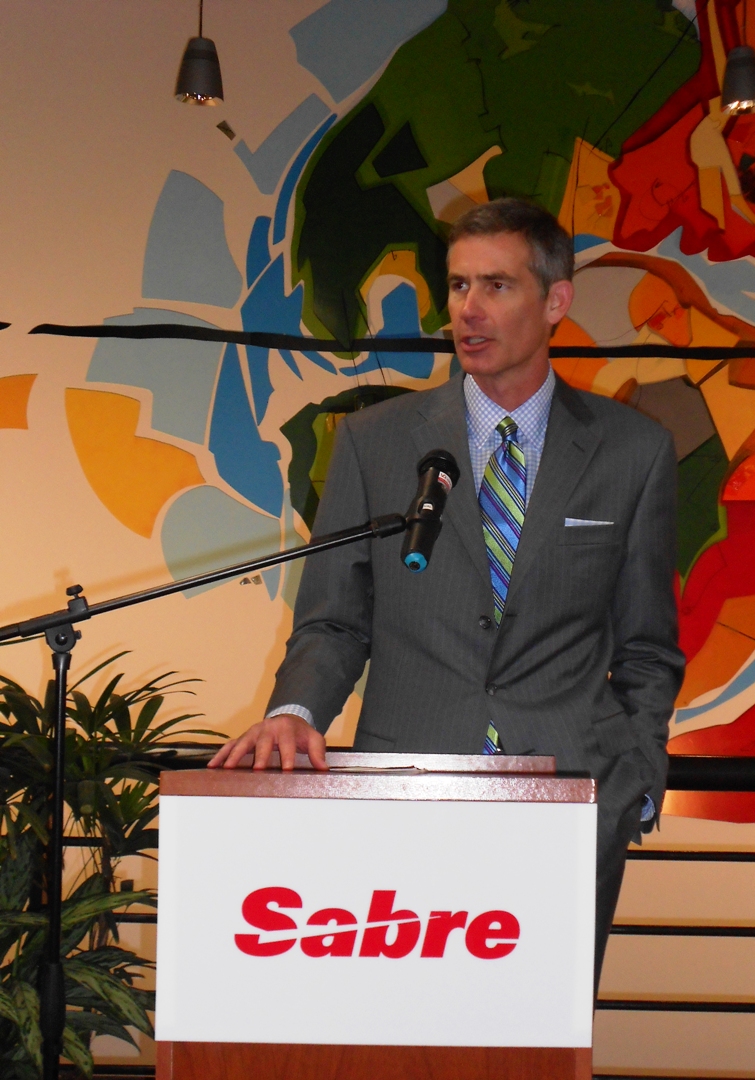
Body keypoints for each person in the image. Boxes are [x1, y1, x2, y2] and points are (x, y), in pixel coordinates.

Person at [210, 197, 685, 983]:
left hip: (571, 799)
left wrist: (630, 773)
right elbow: (333, 621)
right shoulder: (374, 441)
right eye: (460, 285)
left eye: (496, 285)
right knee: (405, 1025)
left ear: (556, 301)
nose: (468, 309)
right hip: (407, 796)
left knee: (541, 1033)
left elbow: (647, 645)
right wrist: (295, 712)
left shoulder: (632, 450)